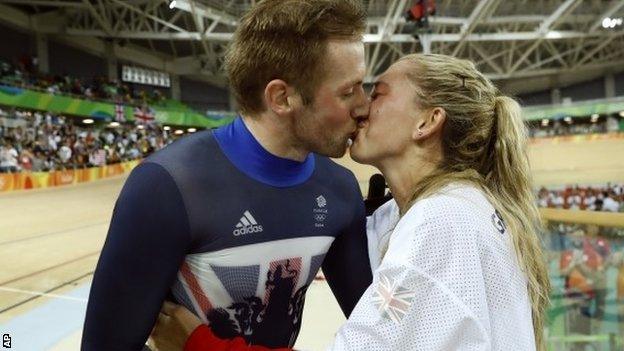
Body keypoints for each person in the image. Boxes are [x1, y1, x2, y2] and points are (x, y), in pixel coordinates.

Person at [154, 54, 552, 351]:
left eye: (377, 94)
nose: (361, 108)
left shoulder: (441, 222)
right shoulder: (445, 207)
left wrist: (197, 343)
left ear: (427, 122)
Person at [81, 1, 372, 350]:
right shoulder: (168, 187)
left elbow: (382, 331)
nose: (363, 105)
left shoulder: (341, 190)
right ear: (281, 97)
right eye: (348, 90)